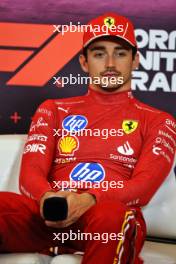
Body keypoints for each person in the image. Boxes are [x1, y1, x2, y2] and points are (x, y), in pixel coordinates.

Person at [0, 12, 175, 264]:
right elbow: (31, 174)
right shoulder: (53, 109)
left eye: (121, 53)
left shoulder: (159, 120)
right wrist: (52, 200)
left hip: (107, 219)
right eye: (99, 53)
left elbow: (144, 187)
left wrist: (89, 199)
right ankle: (59, 244)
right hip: (50, 215)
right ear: (84, 62)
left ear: (136, 60)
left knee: (113, 215)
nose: (111, 63)